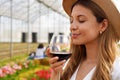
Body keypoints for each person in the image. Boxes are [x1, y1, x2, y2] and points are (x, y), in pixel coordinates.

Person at [46, 0, 120, 80]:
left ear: (103, 25)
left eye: (81, 20)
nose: (72, 27)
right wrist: (56, 73)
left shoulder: (116, 70)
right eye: (71, 21)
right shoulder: (70, 65)